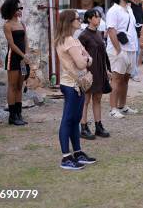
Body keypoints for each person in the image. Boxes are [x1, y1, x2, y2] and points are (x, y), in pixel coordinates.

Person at [55, 10, 97, 170]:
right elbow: (82, 63)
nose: (80, 21)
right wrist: (87, 59)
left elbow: (86, 57)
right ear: (69, 22)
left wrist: (85, 59)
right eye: (77, 19)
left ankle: (78, 152)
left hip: (74, 83)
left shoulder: (69, 40)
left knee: (74, 119)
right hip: (73, 84)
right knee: (69, 119)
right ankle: (66, 157)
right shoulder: (70, 42)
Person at [106, 0, 139, 119]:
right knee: (116, 79)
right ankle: (113, 109)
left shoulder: (129, 9)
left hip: (130, 49)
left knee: (125, 78)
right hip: (118, 50)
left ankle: (122, 106)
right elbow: (111, 30)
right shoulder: (114, 10)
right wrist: (118, 50)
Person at [78, 9, 111, 139]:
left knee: (97, 98)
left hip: (100, 71)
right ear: (89, 19)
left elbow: (104, 53)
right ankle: (83, 126)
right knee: (85, 100)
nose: (98, 19)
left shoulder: (99, 33)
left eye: (99, 17)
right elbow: (80, 55)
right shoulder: (83, 36)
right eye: (96, 17)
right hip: (89, 72)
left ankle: (98, 125)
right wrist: (83, 72)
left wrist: (108, 69)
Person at [1, 0, 29, 126]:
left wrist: (27, 55)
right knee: (12, 86)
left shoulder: (22, 24)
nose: (20, 11)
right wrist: (23, 55)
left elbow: (26, 40)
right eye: (18, 8)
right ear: (11, 9)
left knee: (19, 86)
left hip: (23, 58)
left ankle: (19, 113)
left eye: (21, 8)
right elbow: (11, 44)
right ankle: (12, 116)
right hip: (13, 59)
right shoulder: (7, 25)